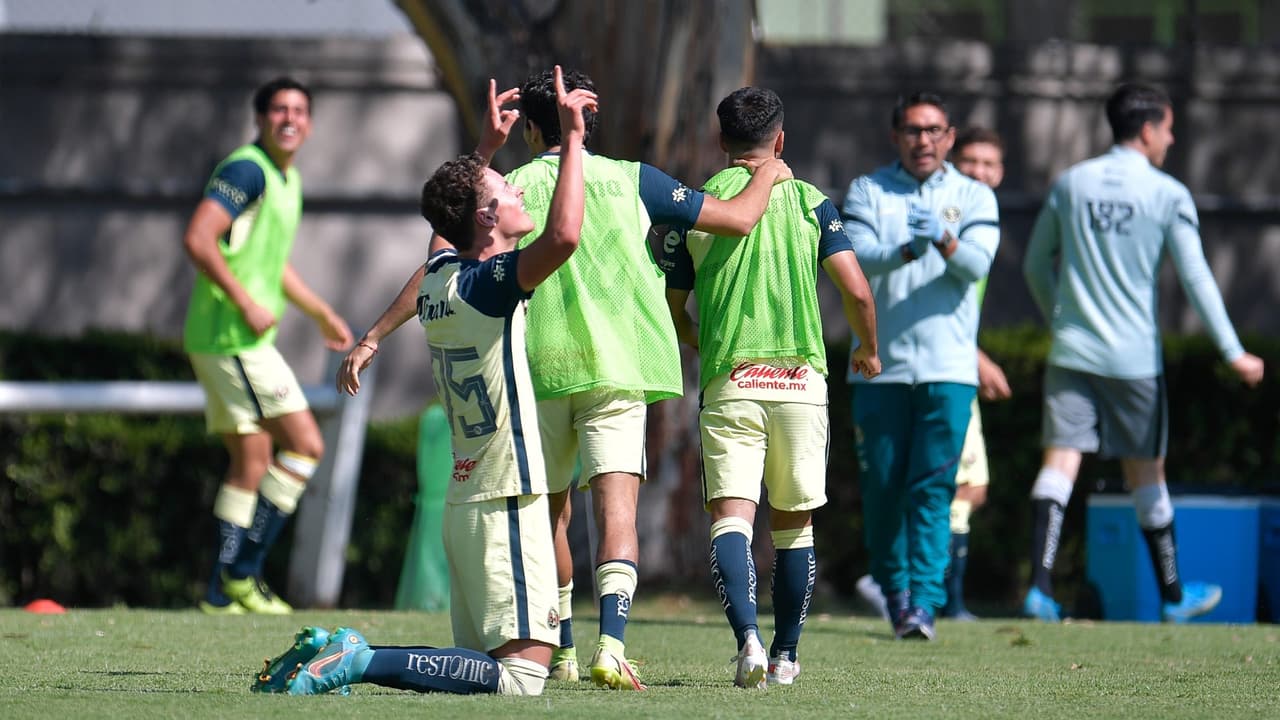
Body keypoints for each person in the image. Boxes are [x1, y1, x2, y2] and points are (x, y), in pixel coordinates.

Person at [337, 67, 792, 690]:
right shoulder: (634, 179)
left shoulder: (508, 185)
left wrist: (374, 335)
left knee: (549, 515)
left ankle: (567, 651)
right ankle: (611, 644)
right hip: (619, 364)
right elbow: (738, 219)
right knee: (617, 512)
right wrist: (767, 167)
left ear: (527, 128)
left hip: (536, 371)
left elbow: (441, 258)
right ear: (589, 120)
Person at [255, 66, 596, 698]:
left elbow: (446, 225)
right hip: (507, 495)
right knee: (523, 677)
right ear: (489, 217)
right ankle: (358, 661)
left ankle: (345, 653)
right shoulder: (489, 286)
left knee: (477, 668)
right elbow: (566, 235)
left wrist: (486, 152)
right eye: (509, 191)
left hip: (468, 501)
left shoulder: (442, 279)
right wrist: (573, 139)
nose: (524, 195)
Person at [1020, 82, 1265, 623]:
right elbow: (1197, 277)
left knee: (1060, 462)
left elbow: (1036, 266)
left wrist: (1061, 317)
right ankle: (1175, 599)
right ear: (1149, 129)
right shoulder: (1166, 193)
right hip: (1133, 361)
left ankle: (1039, 590)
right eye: (1170, 130)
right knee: (1146, 475)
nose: (1172, 140)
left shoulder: (1071, 182)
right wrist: (1233, 351)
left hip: (1073, 350)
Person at [662, 87, 880, 688]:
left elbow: (672, 307)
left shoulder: (696, 207)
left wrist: (706, 346)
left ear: (720, 141)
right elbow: (857, 291)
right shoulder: (813, 203)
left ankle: (748, 643)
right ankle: (786, 656)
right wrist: (867, 348)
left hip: (732, 380)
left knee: (732, 520)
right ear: (780, 140)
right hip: (801, 382)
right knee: (794, 527)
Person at [183, 76, 353, 615]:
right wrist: (243, 302)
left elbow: (270, 261)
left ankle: (218, 593)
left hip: (227, 337)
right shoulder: (247, 169)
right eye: (279, 109)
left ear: (309, 123)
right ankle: (243, 573)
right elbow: (198, 237)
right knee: (306, 445)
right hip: (232, 336)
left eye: (299, 110)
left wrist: (320, 311)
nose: (290, 118)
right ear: (260, 118)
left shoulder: (287, 179)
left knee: (252, 459)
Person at [841, 92, 1000, 641]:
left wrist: (945, 240)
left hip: (949, 367)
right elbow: (859, 259)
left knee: (933, 490)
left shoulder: (974, 194)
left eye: (934, 130)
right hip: (878, 366)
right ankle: (896, 593)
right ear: (896, 137)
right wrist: (911, 246)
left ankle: (925, 604)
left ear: (950, 137)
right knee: (883, 487)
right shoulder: (868, 190)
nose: (923, 140)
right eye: (912, 130)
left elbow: (976, 263)